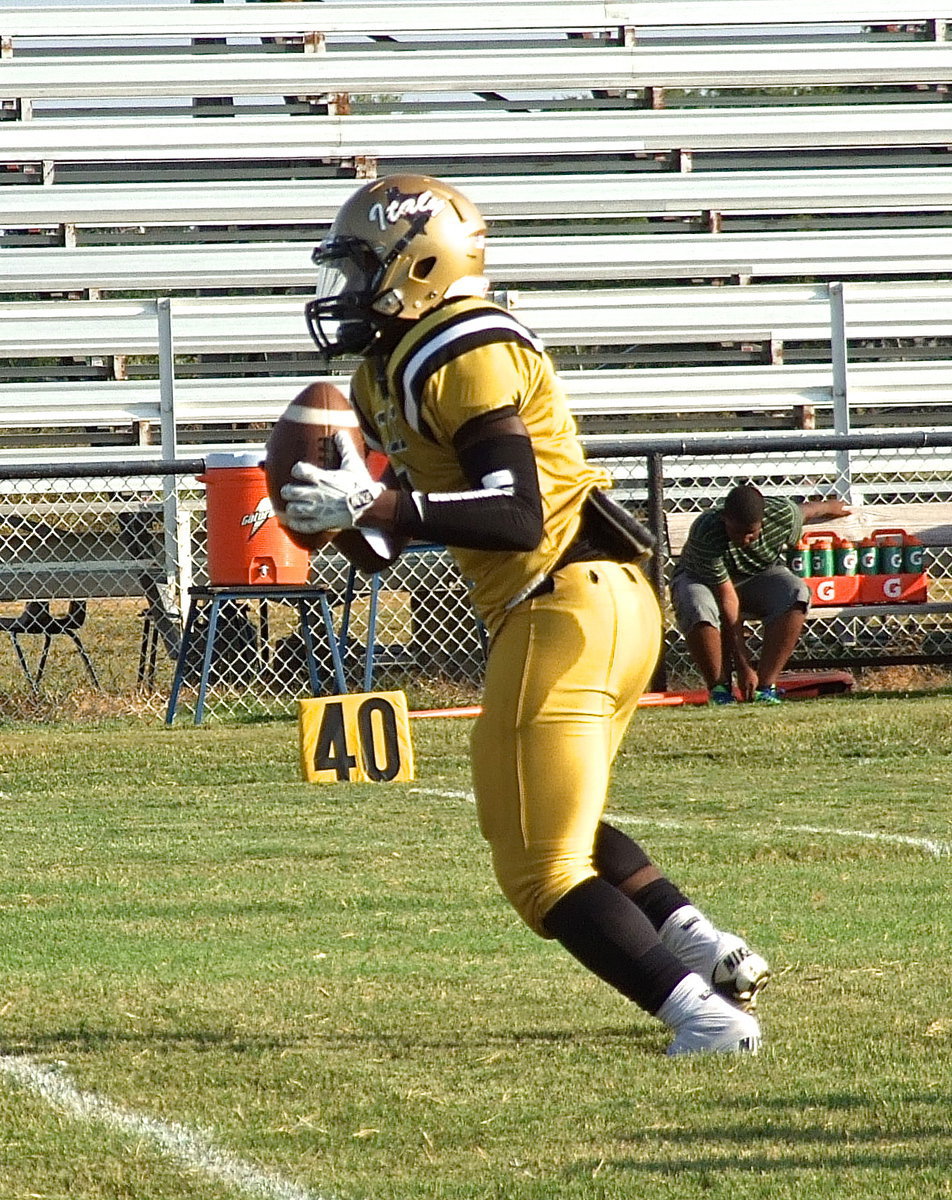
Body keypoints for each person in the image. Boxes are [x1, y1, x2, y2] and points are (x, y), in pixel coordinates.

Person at [279, 173, 767, 1055]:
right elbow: (404, 537)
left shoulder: (458, 343)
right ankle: (700, 942)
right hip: (592, 605)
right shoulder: (388, 369)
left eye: (358, 269)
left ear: (416, 263)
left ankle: (703, 1017)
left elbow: (515, 513)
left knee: (541, 871)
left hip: (562, 602)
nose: (344, 292)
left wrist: (378, 507)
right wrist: (334, 520)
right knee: (540, 819)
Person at [672, 484, 852, 704]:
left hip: (755, 575)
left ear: (762, 523)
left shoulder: (781, 516)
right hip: (701, 580)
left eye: (751, 532)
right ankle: (719, 689)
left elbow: (806, 511)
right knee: (698, 604)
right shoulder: (707, 530)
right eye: (736, 531)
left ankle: (765, 688)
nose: (744, 539)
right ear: (724, 520)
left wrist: (830, 506)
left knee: (796, 592)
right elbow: (727, 598)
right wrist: (744, 666)